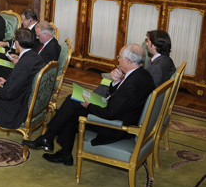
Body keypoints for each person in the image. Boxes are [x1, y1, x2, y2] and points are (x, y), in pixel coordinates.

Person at [23, 44, 155, 166]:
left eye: (119, 57)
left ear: (127, 61)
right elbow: (124, 99)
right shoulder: (144, 75)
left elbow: (110, 113)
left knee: (72, 105)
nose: (118, 60)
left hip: (116, 127)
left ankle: (50, 140)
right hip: (123, 114)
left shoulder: (131, 85)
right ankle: (57, 147)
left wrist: (89, 106)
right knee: (71, 105)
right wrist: (116, 82)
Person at [0, 8, 40, 78]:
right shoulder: (29, 27)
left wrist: (19, 56)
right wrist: (6, 43)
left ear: (30, 20)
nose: (22, 22)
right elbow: (17, 40)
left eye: (23, 20)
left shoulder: (36, 32)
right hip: (12, 51)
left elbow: (32, 50)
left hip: (16, 55)